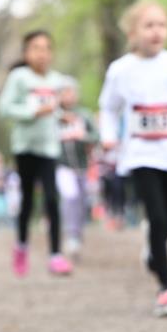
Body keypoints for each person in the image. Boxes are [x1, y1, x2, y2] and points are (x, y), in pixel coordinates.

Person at [98, 1, 167, 316]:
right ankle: (166, 287)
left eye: (162, 24)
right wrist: (109, 136)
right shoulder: (120, 70)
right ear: (133, 32)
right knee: (158, 218)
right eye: (149, 25)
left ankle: (152, 251)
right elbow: (108, 108)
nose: (156, 31)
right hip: (140, 153)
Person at [0, 31, 73, 277]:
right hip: (25, 148)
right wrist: (33, 112)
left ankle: (55, 255)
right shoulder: (19, 77)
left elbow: (56, 109)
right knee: (27, 201)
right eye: (36, 48)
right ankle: (21, 246)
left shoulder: (57, 80)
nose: (42, 53)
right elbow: (4, 109)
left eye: (46, 48)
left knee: (52, 198)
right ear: (26, 53)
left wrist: (63, 116)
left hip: (49, 148)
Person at [56, 79, 97, 259]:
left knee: (80, 201)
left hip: (82, 166)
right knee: (69, 196)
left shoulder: (84, 115)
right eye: (65, 92)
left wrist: (83, 137)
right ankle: (71, 235)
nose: (69, 96)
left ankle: (77, 235)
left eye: (71, 92)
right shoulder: (53, 116)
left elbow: (96, 136)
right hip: (61, 166)